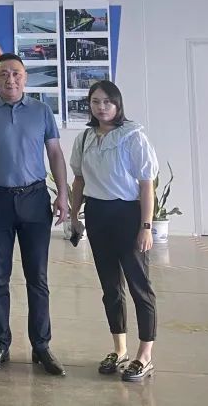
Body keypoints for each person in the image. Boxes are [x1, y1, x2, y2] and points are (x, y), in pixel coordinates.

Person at [0, 53, 69, 376]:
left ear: (25, 78)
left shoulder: (41, 111)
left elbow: (55, 153)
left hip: (34, 200)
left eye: (16, 74)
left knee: (37, 278)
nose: (10, 79)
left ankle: (41, 345)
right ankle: (0, 344)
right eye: (3, 74)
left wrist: (63, 194)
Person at [69, 80, 159, 382]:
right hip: (98, 215)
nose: (101, 107)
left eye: (107, 101)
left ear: (118, 104)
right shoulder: (84, 138)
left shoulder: (133, 136)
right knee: (110, 287)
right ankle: (120, 350)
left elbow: (146, 185)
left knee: (139, 287)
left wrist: (146, 226)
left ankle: (144, 355)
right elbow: (79, 180)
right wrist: (74, 216)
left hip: (128, 215)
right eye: (95, 101)